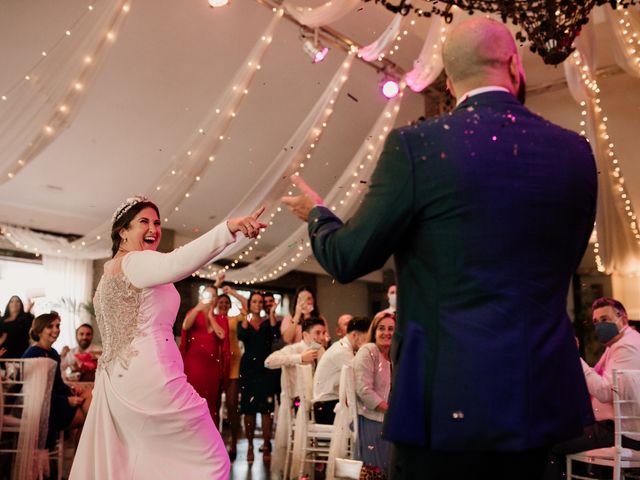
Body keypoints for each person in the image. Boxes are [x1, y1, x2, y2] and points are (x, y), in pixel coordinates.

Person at [283, 17, 597, 479]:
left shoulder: (420, 147)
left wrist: (317, 214)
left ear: (448, 81)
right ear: (515, 66)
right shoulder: (575, 152)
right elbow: (568, 260)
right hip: (539, 400)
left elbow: (348, 257)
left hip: (444, 403)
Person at [70, 195, 265, 479]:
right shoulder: (136, 262)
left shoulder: (108, 274)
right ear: (122, 231)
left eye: (157, 222)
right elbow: (179, 261)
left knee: (142, 465)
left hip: (117, 384)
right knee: (212, 460)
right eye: (144, 222)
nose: (154, 229)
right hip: (153, 379)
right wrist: (229, 228)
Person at [545, 297, 640, 479]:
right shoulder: (617, 344)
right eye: (596, 322)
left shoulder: (627, 346)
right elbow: (592, 382)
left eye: (605, 319)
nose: (599, 326)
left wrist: (573, 355)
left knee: (550, 441)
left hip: (620, 433)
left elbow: (605, 392)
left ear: (624, 318)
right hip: (610, 429)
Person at [264, 317, 326, 476]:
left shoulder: (322, 352)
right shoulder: (294, 348)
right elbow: (268, 362)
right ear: (305, 335)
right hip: (294, 406)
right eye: (317, 333)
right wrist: (299, 358)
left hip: (315, 406)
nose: (321, 337)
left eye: (323, 333)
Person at [22, 312, 92, 448]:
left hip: (55, 401)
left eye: (58, 326)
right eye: (50, 326)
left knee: (92, 393)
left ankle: (81, 460)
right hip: (44, 408)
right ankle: (81, 461)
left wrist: (71, 390)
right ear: (40, 330)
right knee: (92, 419)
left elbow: (58, 384)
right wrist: (67, 400)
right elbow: (36, 394)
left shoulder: (53, 353)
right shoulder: (33, 353)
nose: (56, 330)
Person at [237, 291, 280, 463]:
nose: (257, 304)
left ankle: (267, 444)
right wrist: (245, 315)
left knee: (266, 409)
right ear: (250, 303)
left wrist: (271, 314)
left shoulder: (267, 321)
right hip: (248, 368)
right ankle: (249, 446)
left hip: (266, 367)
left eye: (260, 302)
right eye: (254, 301)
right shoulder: (244, 321)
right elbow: (242, 336)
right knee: (248, 409)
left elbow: (275, 336)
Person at [180, 285, 230, 428]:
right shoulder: (193, 312)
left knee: (210, 403)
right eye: (209, 295)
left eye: (214, 296)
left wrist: (210, 316)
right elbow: (185, 326)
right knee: (192, 401)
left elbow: (221, 334)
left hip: (212, 368)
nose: (211, 299)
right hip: (194, 365)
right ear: (202, 297)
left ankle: (208, 436)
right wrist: (198, 308)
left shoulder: (220, 318)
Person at [353, 312, 395, 475]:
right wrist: (392, 412)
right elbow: (364, 391)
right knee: (376, 471)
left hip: (386, 419)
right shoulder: (369, 350)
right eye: (381, 328)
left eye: (391, 329)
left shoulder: (391, 356)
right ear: (374, 331)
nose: (386, 333)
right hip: (370, 419)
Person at [313, 316, 369, 424]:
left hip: (330, 404)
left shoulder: (342, 347)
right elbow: (360, 377)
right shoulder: (342, 351)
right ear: (354, 335)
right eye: (365, 339)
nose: (366, 343)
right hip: (326, 408)